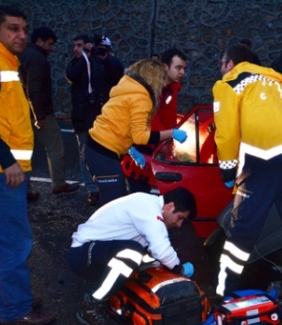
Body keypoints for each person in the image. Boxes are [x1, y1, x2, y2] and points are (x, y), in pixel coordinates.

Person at [0, 5, 57, 324]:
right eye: (13, 29)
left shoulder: (0, 60)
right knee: (13, 242)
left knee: (4, 240)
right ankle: (17, 312)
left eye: (24, 29)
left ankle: (10, 304)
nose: (21, 35)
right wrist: (8, 161)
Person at [212, 45, 282, 298]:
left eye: (222, 64)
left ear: (231, 63)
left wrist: (227, 172)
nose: (221, 69)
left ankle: (224, 289)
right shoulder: (277, 83)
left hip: (263, 157)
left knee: (242, 228)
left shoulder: (229, 84)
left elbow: (226, 134)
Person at [68, 188, 197, 325]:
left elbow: (155, 252)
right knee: (132, 252)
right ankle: (91, 306)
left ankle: (115, 297)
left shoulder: (148, 207)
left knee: (146, 258)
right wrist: (179, 269)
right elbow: (161, 249)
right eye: (180, 218)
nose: (179, 224)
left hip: (95, 251)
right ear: (170, 206)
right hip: (82, 254)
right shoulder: (148, 207)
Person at [84, 59, 188, 206]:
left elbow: (120, 123)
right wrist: (172, 133)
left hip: (96, 149)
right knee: (114, 205)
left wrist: (130, 149)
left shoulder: (128, 88)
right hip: (103, 153)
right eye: (162, 77)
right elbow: (140, 137)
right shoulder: (142, 97)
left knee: (116, 201)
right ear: (153, 77)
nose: (164, 82)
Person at [19, 27, 80, 195]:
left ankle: (24, 188)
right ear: (40, 41)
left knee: (25, 151)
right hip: (40, 112)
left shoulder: (22, 55)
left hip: (23, 111)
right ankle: (58, 183)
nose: (51, 48)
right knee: (55, 147)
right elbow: (35, 88)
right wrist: (40, 115)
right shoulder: (38, 59)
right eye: (50, 44)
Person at [65, 33, 124, 206]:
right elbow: (72, 75)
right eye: (76, 45)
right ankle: (92, 189)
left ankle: (110, 186)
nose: (77, 49)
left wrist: (101, 56)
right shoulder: (76, 63)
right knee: (85, 155)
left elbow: (117, 73)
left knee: (107, 153)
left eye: (80, 45)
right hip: (82, 117)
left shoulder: (103, 62)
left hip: (102, 116)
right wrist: (85, 57)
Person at [152, 47, 187, 131]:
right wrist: (167, 137)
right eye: (178, 68)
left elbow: (170, 117)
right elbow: (152, 120)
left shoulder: (172, 88)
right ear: (165, 67)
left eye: (184, 68)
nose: (182, 72)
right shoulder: (152, 87)